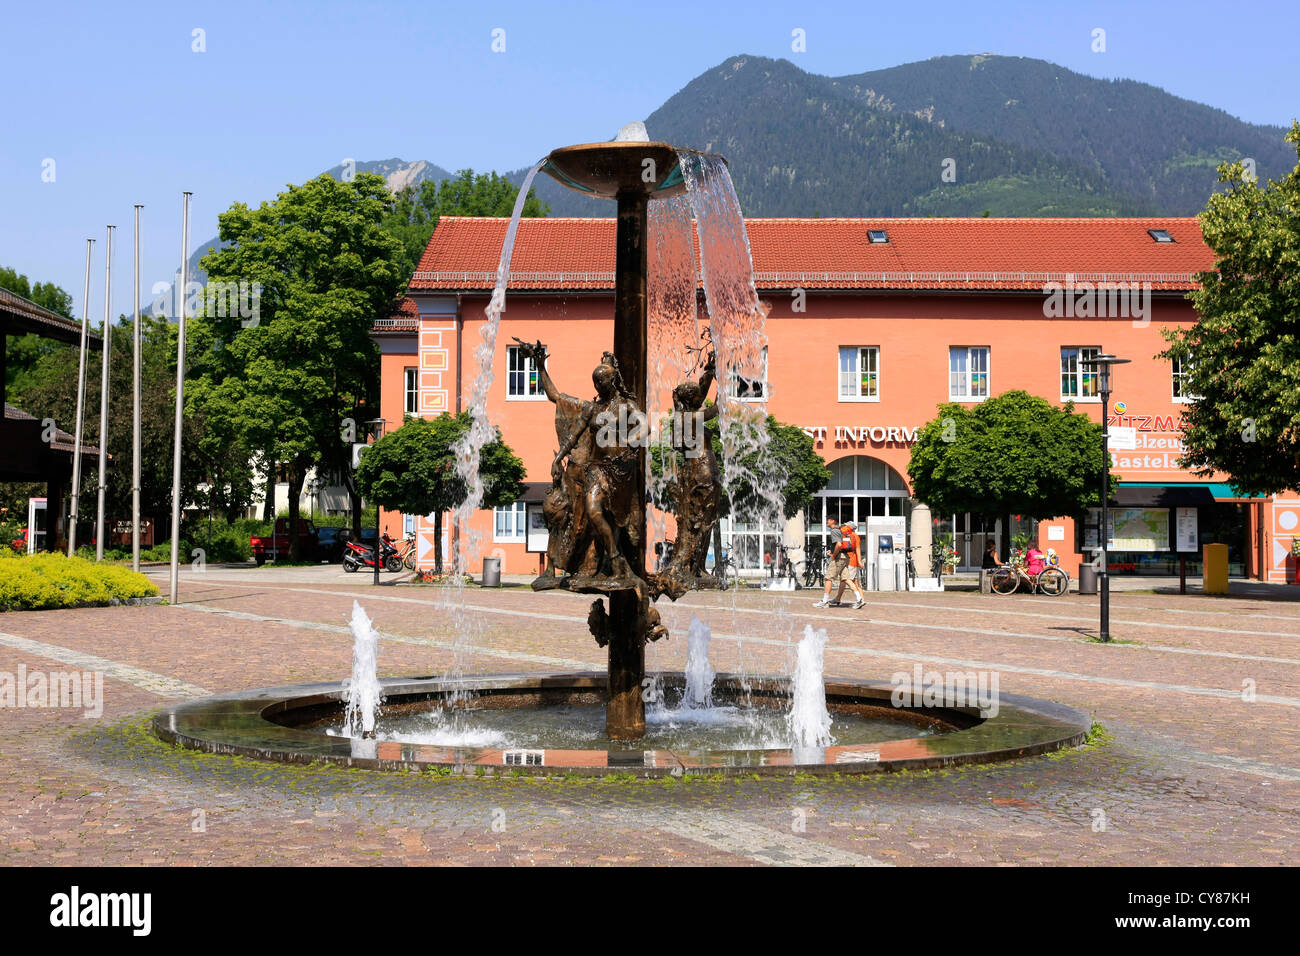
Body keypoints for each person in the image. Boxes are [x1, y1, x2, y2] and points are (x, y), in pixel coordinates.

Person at [828, 522, 867, 609]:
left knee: (847, 580)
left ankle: (859, 599)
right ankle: (839, 598)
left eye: (846, 525)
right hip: (853, 561)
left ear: (850, 527)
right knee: (850, 580)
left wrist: (859, 561)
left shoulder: (851, 536)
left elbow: (857, 549)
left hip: (850, 561)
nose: (844, 526)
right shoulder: (852, 536)